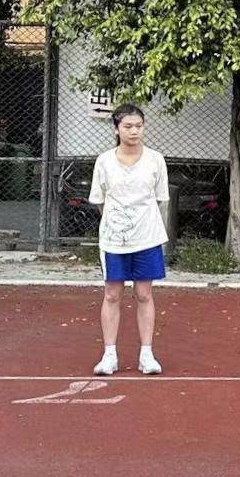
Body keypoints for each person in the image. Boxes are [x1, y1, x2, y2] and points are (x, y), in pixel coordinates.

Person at [90, 104, 169, 376]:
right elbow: (100, 200)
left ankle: (146, 355)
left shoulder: (156, 160)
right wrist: (117, 223)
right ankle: (109, 355)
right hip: (113, 241)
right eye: (128, 126)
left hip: (147, 238)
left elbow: (159, 199)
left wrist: (138, 224)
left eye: (139, 126)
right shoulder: (104, 161)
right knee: (112, 294)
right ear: (116, 129)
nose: (134, 131)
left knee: (144, 294)